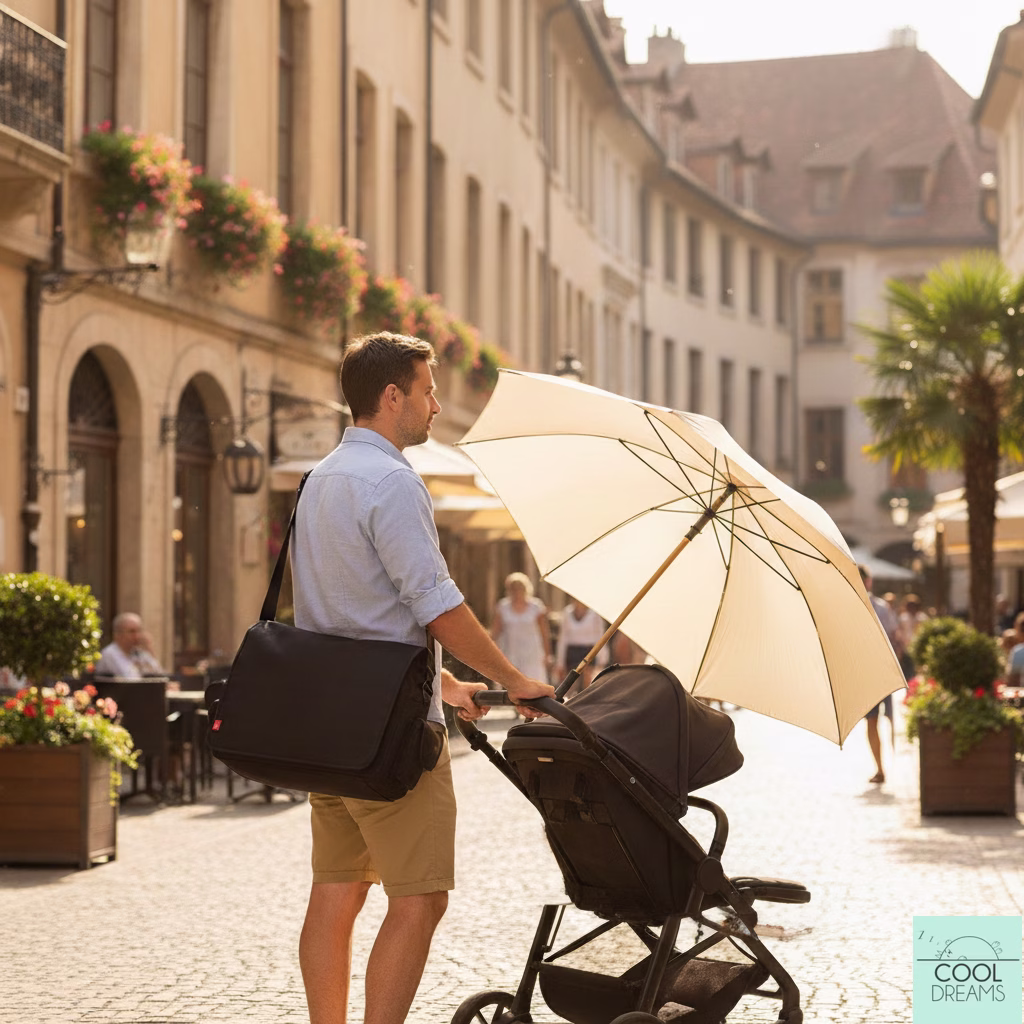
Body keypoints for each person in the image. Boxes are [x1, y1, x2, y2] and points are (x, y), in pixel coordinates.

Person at [291, 331, 554, 1024]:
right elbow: (433, 601)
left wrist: (443, 683)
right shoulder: (392, 482)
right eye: (428, 390)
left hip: (327, 722)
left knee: (336, 892)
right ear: (392, 395)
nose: (438, 405)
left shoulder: (319, 479)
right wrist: (513, 676)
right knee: (420, 898)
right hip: (390, 735)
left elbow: (349, 616)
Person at [859, 565, 902, 785]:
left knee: (879, 720)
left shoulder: (878, 607)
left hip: (876, 672)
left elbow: (895, 637)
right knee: (877, 720)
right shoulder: (880, 607)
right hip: (876, 672)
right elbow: (896, 637)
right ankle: (881, 768)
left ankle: (885, 767)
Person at [490, 572, 552, 685]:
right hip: (510, 652)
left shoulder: (536, 606)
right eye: (513, 588)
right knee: (513, 686)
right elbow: (495, 633)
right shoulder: (502, 607)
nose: (517, 591)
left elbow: (544, 632)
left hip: (533, 653)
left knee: (534, 684)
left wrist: (547, 654)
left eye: (520, 587)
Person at [554, 599, 608, 690]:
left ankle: (586, 703)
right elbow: (563, 637)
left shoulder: (594, 614)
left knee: (588, 683)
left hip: (589, 650)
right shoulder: (567, 612)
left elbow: (600, 636)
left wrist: (602, 658)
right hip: (572, 651)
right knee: (570, 684)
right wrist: (560, 662)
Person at [93, 613, 165, 678]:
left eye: (139, 631)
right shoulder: (109, 654)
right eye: (132, 632)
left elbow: (159, 675)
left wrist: (149, 649)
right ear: (118, 634)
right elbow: (131, 678)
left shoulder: (138, 652)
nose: (137, 636)